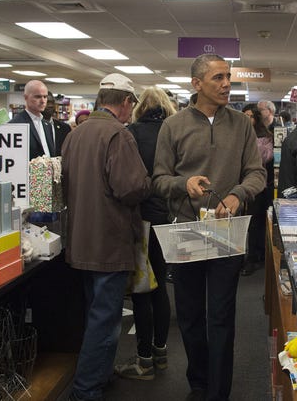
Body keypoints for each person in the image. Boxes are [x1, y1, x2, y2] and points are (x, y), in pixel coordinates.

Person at [153, 54, 265, 401]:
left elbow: (257, 174)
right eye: (218, 77)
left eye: (228, 76)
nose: (227, 83)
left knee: (220, 315)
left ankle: (218, 391)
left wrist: (237, 195)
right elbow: (158, 179)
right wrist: (182, 184)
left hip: (225, 230)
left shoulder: (242, 124)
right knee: (188, 315)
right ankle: (198, 382)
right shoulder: (173, 126)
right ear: (196, 84)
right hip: (185, 231)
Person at [62, 73, 151, 401]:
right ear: (126, 103)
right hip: (109, 240)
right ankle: (86, 390)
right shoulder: (118, 135)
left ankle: (97, 375)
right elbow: (130, 188)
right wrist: (148, 182)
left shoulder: (76, 134)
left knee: (94, 313)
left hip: (80, 238)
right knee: (105, 318)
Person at [114, 87, 176, 381]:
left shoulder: (132, 133)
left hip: (142, 219)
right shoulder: (174, 130)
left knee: (142, 289)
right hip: (170, 218)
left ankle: (144, 360)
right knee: (162, 286)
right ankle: (161, 352)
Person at [241, 104, 274, 276]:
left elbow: (264, 158)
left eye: (250, 116)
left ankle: (254, 257)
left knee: (255, 223)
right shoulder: (238, 135)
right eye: (244, 115)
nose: (247, 119)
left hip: (258, 187)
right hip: (240, 185)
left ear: (256, 118)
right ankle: (250, 256)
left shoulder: (264, 137)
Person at [8, 80, 56, 160]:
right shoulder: (15, 125)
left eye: (45, 97)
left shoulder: (48, 125)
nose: (43, 101)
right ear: (26, 97)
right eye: (38, 97)